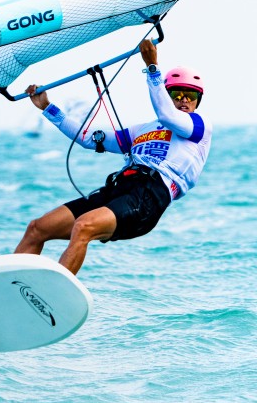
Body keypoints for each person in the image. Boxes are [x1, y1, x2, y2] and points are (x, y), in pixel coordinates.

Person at [13, 39, 211, 275]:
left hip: (149, 196)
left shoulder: (198, 127)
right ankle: (8, 289)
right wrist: (47, 108)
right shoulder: (142, 131)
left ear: (198, 100)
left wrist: (152, 68)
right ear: (168, 96)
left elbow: (168, 116)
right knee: (37, 228)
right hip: (119, 187)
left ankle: (52, 297)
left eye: (191, 95)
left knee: (83, 226)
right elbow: (87, 138)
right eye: (177, 94)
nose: (184, 100)